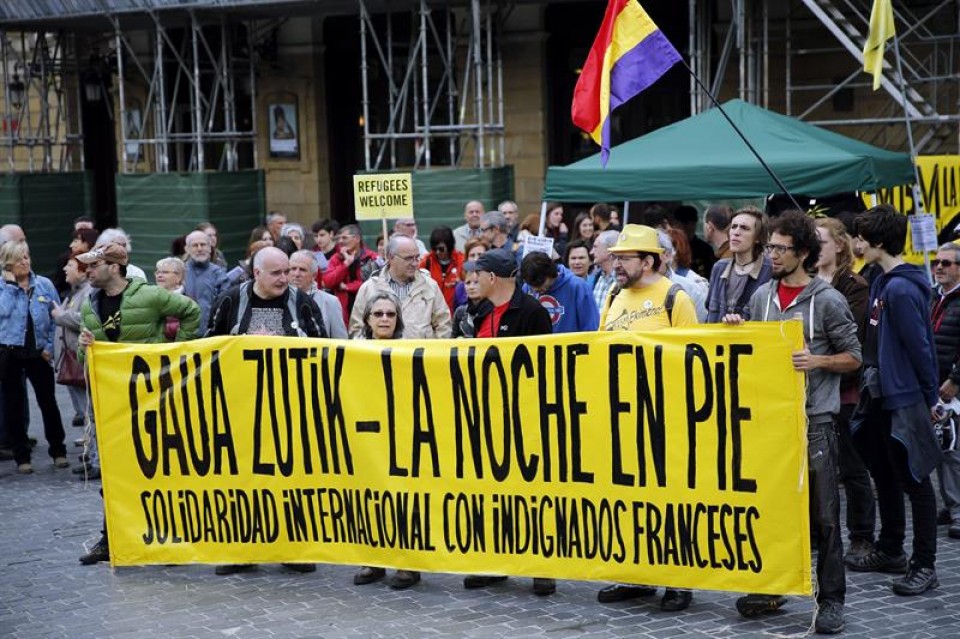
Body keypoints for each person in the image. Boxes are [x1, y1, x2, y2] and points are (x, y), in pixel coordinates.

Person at [724, 211, 860, 635]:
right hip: (771, 422)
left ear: (803, 253)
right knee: (774, 510)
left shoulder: (828, 299)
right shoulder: (762, 295)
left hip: (814, 422)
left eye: (781, 248)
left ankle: (832, 599)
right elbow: (752, 351)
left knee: (825, 517)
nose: (773, 255)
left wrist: (818, 359)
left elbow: (854, 356)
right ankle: (774, 587)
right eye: (771, 248)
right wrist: (737, 329)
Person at [76, 242, 200, 565]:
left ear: (114, 267)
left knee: (159, 467)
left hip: (151, 396)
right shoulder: (90, 304)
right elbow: (84, 358)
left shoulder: (148, 296)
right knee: (113, 471)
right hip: (112, 400)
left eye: (93, 265)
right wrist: (83, 346)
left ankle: (170, 538)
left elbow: (191, 311)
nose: (87, 271)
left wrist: (171, 356)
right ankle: (111, 537)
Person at [595, 224, 697, 612]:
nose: (616, 264)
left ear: (649, 260)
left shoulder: (675, 297)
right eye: (616, 257)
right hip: (621, 414)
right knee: (630, 499)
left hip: (664, 416)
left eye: (624, 258)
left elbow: (693, 359)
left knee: (670, 500)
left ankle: (679, 579)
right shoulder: (614, 294)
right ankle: (638, 574)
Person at [206, 246, 325, 576]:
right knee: (241, 481)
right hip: (240, 408)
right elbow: (207, 347)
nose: (285, 278)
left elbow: (324, 349)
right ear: (256, 273)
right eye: (276, 273)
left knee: (293, 480)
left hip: (290, 408)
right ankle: (241, 550)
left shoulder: (301, 302)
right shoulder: (231, 300)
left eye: (287, 271)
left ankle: (295, 549)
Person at [848, 204, 941, 596]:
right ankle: (891, 549)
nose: (856, 243)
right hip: (882, 395)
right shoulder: (884, 281)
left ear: (878, 242)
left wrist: (930, 397)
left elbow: (921, 348)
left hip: (902, 398)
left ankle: (924, 564)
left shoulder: (900, 288)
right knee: (886, 474)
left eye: (861, 237)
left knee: (915, 481)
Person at [459, 248, 555, 595]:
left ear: (492, 278)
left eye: (477, 274)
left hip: (524, 417)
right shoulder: (481, 309)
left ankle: (541, 566)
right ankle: (494, 562)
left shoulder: (531, 312)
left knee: (529, 491)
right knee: (490, 493)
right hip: (487, 415)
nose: (471, 281)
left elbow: (546, 364)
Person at [350, 291, 424, 589]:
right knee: (369, 497)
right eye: (378, 314)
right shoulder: (353, 350)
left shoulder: (411, 349)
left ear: (398, 320)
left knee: (405, 499)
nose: (384, 319)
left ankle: (408, 564)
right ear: (367, 320)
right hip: (366, 435)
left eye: (390, 314)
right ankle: (373, 560)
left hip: (403, 434)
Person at [815, 217, 876, 564]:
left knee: (852, 468)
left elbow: (847, 335)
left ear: (839, 245)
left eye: (820, 240)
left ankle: (862, 536)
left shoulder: (853, 285)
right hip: (810, 388)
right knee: (816, 466)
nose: (814, 246)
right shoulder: (804, 281)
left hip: (844, 388)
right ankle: (817, 531)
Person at [0, 240, 67, 474]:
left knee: (48, 403)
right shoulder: (1, 288)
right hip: (10, 353)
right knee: (14, 405)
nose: (25, 262)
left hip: (39, 353)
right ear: (7, 264)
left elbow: (56, 319)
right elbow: (3, 312)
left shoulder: (44, 285)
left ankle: (58, 450)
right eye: (19, 259)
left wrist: (49, 345)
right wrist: (10, 287)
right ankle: (22, 456)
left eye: (27, 257)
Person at [349, 236, 452, 339]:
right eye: (408, 258)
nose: (415, 263)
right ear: (390, 257)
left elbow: (444, 326)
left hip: (421, 354)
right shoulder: (369, 288)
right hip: (383, 354)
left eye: (417, 257)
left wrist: (433, 353)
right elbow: (357, 329)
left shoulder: (430, 286)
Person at [929, 242, 960, 540]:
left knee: (954, 452)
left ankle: (959, 509)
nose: (939, 267)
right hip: (935, 384)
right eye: (937, 262)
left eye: (947, 263)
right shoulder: (934, 297)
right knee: (943, 446)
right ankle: (951, 505)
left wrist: (955, 379)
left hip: (953, 386)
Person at [705, 206, 771, 323]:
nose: (736, 232)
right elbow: (709, 314)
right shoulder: (719, 268)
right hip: (719, 339)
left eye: (744, 228)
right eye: (733, 227)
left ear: (758, 238)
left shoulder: (770, 270)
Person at [52, 256, 93, 430]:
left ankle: (91, 444)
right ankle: (87, 438)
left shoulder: (88, 292)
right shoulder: (76, 291)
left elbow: (85, 320)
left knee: (87, 405)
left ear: (83, 271)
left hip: (80, 358)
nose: (65, 269)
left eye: (70, 266)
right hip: (71, 359)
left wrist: (60, 316)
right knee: (82, 405)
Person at [520, 251, 598, 333]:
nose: (536, 290)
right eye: (532, 286)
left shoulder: (578, 287)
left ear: (550, 273)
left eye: (540, 283)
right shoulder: (527, 287)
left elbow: (591, 327)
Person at [323, 224, 381, 325]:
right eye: (339, 238)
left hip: (367, 306)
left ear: (357, 238)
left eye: (344, 238)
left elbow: (370, 284)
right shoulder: (336, 258)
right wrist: (345, 264)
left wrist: (346, 287)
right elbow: (328, 282)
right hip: (342, 310)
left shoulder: (372, 258)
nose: (340, 241)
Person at [289, 250, 347, 339]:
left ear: (314, 275)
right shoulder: (278, 298)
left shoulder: (330, 302)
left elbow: (340, 341)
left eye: (302, 270)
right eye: (293, 269)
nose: (296, 274)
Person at [183, 230, 230, 336]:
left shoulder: (219, 274)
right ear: (187, 249)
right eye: (195, 245)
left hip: (211, 336)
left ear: (210, 248)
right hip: (184, 335)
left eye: (203, 245)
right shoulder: (180, 272)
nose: (200, 249)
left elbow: (224, 306)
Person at [419, 226, 464, 315]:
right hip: (433, 314)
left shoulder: (461, 261)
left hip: (455, 314)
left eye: (441, 249)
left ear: (449, 246)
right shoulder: (427, 261)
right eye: (435, 249)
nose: (437, 252)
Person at [673, 204, 715, 278]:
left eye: (692, 224)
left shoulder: (705, 249)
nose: (689, 228)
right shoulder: (670, 246)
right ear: (676, 224)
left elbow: (710, 274)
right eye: (685, 224)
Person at [588, 230, 619, 321]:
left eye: (595, 247)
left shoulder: (624, 280)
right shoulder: (596, 278)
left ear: (609, 250)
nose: (591, 252)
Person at [452, 238, 489, 310]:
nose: (476, 259)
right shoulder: (460, 288)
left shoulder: (493, 283)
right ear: (466, 259)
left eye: (480, 255)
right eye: (472, 255)